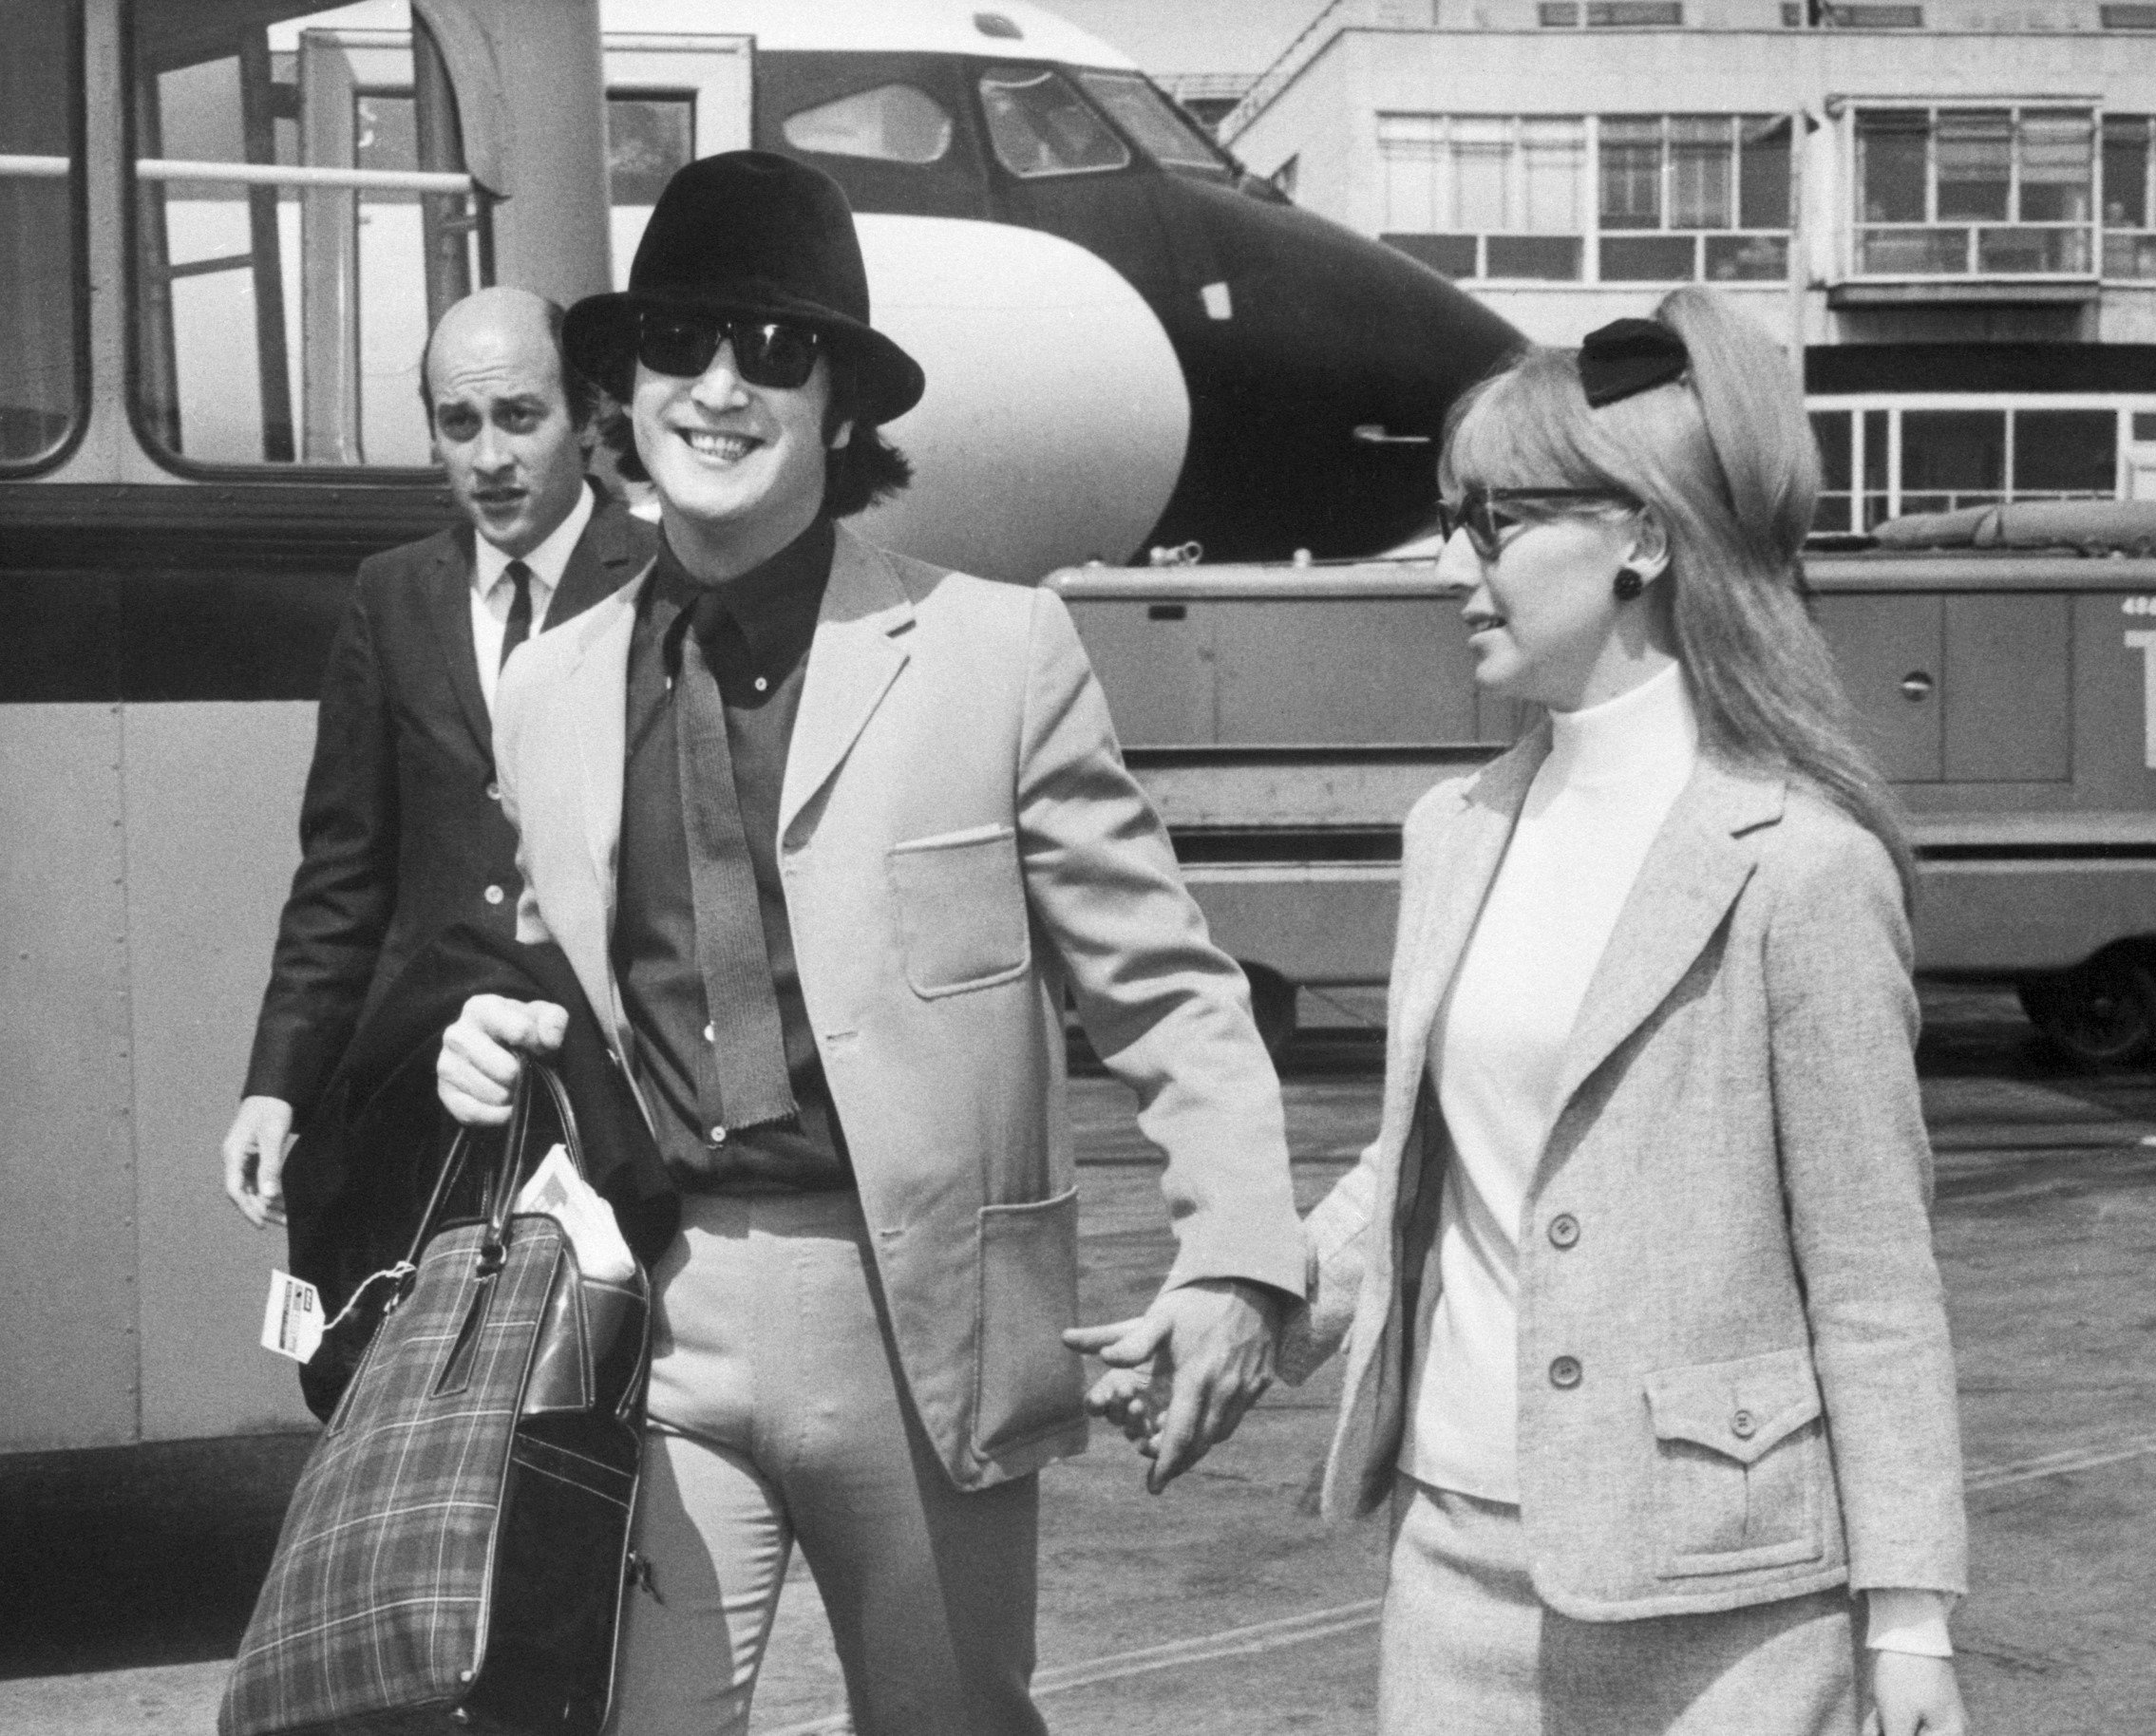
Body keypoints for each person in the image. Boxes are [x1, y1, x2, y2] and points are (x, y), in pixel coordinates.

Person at [432, 151, 1304, 1736]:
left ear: (842, 409)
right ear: (621, 390)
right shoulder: (548, 693)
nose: (720, 386)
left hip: (920, 1329)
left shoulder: (997, 654)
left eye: (776, 352)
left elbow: (1167, 990)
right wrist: (483, 1034)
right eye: (682, 342)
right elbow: (539, 975)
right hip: (658, 1316)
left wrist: (1241, 1251)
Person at [1267, 289, 1969, 1734]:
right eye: (1455, 523)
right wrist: (1249, 1298)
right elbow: (1431, 1166)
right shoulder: (1455, 829)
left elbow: (1875, 1280)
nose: (1456, 568)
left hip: (1720, 1602)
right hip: (1452, 1558)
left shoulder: (1802, 866)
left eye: (1497, 523)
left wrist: (1908, 1626)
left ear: (1640, 536)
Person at [218, 286, 654, 1229]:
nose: (489, 457)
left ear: (586, 420)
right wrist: (277, 1082)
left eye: (519, 418)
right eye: (459, 424)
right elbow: (344, 872)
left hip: (604, 1095)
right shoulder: (391, 596)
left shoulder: (661, 585)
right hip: (421, 1084)